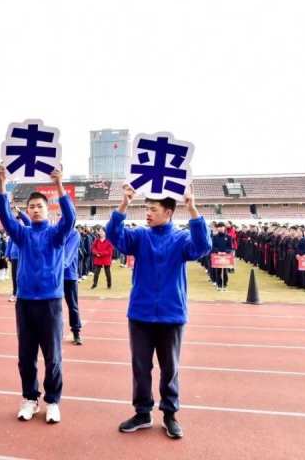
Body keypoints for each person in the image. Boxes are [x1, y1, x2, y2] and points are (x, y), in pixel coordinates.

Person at [106, 185, 211, 439]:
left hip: (171, 313)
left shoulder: (181, 238)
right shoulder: (140, 236)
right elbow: (113, 236)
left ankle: (170, 414)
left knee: (169, 368)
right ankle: (142, 412)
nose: (148, 214)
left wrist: (193, 209)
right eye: (146, 209)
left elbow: (203, 246)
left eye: (153, 209)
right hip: (140, 313)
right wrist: (124, 203)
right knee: (140, 367)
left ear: (169, 212)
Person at [0, 163, 76, 424]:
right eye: (31, 207)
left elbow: (71, 218)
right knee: (26, 357)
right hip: (26, 303)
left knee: (53, 356)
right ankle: (30, 398)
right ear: (27, 211)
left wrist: (59, 185)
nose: (35, 210)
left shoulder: (56, 234)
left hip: (51, 302)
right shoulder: (22, 235)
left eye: (40, 206)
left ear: (47, 209)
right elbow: (6, 218)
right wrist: (1, 184)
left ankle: (53, 401)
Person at [64, 227, 83, 345]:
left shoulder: (74, 234)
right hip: (55, 275)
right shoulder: (56, 230)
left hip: (69, 276)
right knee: (50, 306)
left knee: (73, 306)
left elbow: (67, 256)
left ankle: (76, 332)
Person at [210, 222, 233, 291]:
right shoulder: (215, 237)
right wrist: (218, 252)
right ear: (217, 228)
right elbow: (213, 247)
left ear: (224, 228)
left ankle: (225, 284)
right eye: (219, 227)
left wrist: (226, 252)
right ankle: (219, 285)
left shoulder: (228, 237)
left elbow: (230, 247)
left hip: (226, 256)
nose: (220, 228)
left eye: (222, 227)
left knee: (225, 271)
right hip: (217, 256)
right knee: (218, 271)